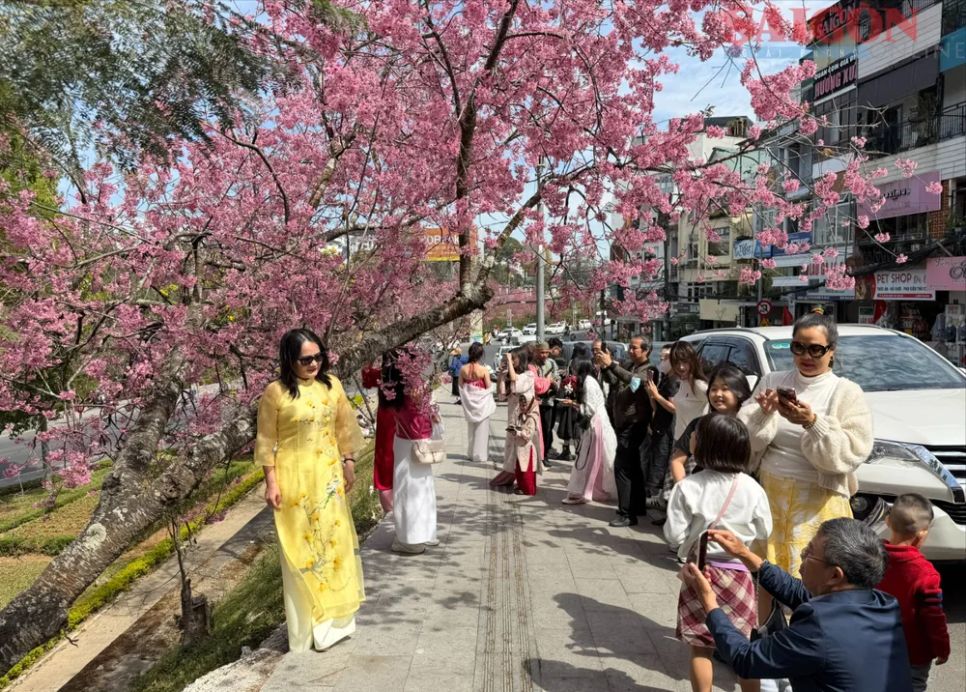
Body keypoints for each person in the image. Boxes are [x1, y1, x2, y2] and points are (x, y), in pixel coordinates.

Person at [680, 519, 913, 692]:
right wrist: (745, 555)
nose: (802, 558)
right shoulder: (882, 604)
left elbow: (745, 659)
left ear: (834, 575)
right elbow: (800, 593)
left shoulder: (819, 628)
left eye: (809, 553)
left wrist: (709, 601)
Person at [738, 312, 874, 579]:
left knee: (815, 577)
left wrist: (813, 423)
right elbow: (744, 441)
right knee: (768, 575)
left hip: (819, 498)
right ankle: (769, 622)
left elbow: (851, 454)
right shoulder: (772, 382)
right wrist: (763, 414)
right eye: (799, 347)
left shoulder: (846, 392)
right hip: (771, 492)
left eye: (816, 349)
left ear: (831, 351)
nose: (806, 356)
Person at [255, 328, 365, 652]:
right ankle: (307, 631)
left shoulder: (332, 387)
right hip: (294, 482)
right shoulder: (275, 393)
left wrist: (348, 462)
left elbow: (345, 428)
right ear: (289, 360)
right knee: (301, 548)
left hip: (328, 478)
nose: (314, 363)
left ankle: (335, 625)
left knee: (334, 544)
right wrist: (271, 482)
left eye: (318, 356)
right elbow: (265, 442)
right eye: (306, 359)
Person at [664, 415, 772, 692]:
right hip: (739, 575)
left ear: (706, 446)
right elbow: (764, 530)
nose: (691, 438)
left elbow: (674, 536)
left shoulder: (688, 487)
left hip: (702, 574)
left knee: (701, 648)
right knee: (744, 646)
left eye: (695, 435)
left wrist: (692, 537)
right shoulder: (753, 488)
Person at [877, 493, 950, 691]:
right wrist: (942, 647)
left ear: (887, 521)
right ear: (922, 534)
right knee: (914, 686)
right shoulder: (926, 573)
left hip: (875, 644)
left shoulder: (873, 559)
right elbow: (933, 616)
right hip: (914, 652)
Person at [597, 336, 654, 527]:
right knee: (634, 466)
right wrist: (605, 367)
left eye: (635, 348)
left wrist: (612, 366)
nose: (630, 351)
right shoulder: (629, 365)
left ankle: (626, 513)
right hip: (623, 423)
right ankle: (637, 505)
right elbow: (615, 382)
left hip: (635, 424)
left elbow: (636, 384)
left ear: (646, 350)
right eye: (629, 347)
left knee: (622, 467)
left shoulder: (649, 370)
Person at [386, 358, 440, 554]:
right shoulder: (419, 385)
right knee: (424, 488)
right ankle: (427, 533)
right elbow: (432, 414)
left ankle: (410, 539)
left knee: (406, 489)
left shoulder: (392, 388)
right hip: (422, 441)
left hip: (404, 442)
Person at [561, 359, 617, 504]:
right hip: (596, 423)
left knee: (591, 459)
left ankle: (587, 492)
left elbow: (590, 409)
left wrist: (573, 404)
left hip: (596, 423)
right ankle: (592, 490)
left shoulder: (588, 382)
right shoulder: (589, 381)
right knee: (595, 459)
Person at [491, 347, 543, 495]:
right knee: (515, 454)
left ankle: (527, 487)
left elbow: (517, 385)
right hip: (513, 419)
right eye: (510, 359)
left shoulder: (528, 375)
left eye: (513, 359)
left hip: (526, 420)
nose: (511, 362)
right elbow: (501, 396)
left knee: (525, 453)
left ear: (521, 359)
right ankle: (519, 483)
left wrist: (508, 361)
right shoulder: (513, 375)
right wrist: (501, 376)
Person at [361, 351, 399, 513]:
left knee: (385, 460)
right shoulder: (405, 376)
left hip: (385, 419)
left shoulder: (380, 374)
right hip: (401, 419)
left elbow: (366, 378)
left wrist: (370, 354)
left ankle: (389, 507)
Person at [642, 344, 679, 504]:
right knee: (656, 459)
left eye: (666, 358)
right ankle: (657, 497)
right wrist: (652, 395)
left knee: (662, 460)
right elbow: (657, 406)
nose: (662, 361)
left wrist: (656, 396)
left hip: (668, 428)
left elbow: (673, 408)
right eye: (661, 358)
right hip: (659, 425)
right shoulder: (665, 378)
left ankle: (660, 499)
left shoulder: (674, 381)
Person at [459, 342, 496, 463]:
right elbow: (489, 387)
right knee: (482, 429)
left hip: (470, 403)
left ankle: (471, 453)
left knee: (471, 429)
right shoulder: (483, 369)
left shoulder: (463, 369)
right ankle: (479, 454)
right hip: (482, 403)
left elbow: (461, 387)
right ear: (481, 355)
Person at [555, 342, 591, 461]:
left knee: (572, 425)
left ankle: (573, 450)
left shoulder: (577, 361)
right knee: (572, 425)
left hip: (574, 397)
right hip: (575, 396)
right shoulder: (586, 361)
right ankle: (574, 450)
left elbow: (575, 377)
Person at [533, 341, 560, 465]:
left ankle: (545, 454)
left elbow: (557, 379)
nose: (544, 355)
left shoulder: (552, 364)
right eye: (541, 352)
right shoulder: (533, 365)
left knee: (548, 429)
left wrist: (553, 384)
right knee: (537, 430)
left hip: (549, 401)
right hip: (536, 402)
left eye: (546, 353)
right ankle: (537, 454)